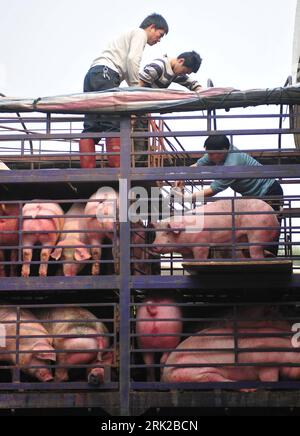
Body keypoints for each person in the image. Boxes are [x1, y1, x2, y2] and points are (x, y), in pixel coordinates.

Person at [79, 13, 169, 169]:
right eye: (160, 35)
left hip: (94, 74)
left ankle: (87, 170)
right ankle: (118, 170)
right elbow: (132, 60)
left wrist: (132, 86)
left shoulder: (127, 37)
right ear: (151, 27)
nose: (159, 39)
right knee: (113, 123)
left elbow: (127, 68)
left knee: (92, 125)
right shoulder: (140, 33)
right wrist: (136, 90)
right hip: (107, 74)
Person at [174, 135, 284, 256]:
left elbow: (213, 190)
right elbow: (197, 165)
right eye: (208, 153)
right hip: (254, 197)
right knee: (254, 229)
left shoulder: (232, 165)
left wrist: (186, 198)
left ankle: (271, 259)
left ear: (223, 151)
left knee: (269, 225)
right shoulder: (218, 153)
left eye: (211, 154)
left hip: (269, 191)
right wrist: (183, 175)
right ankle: (255, 257)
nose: (208, 157)